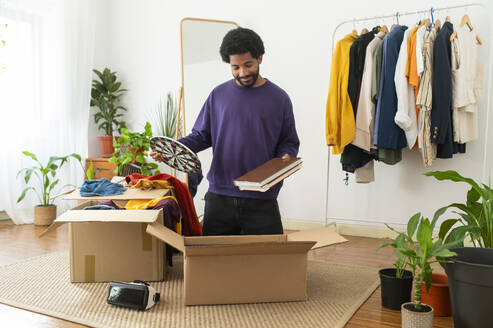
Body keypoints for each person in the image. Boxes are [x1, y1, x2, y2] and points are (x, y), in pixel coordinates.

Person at [151, 27, 299, 236]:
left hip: (262, 197)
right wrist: (170, 148)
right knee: (214, 261)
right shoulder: (218, 95)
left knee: (268, 262)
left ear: (260, 58)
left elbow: (289, 141)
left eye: (248, 65)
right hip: (220, 196)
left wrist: (286, 156)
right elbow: (201, 136)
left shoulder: (279, 98)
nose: (243, 73)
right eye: (235, 67)